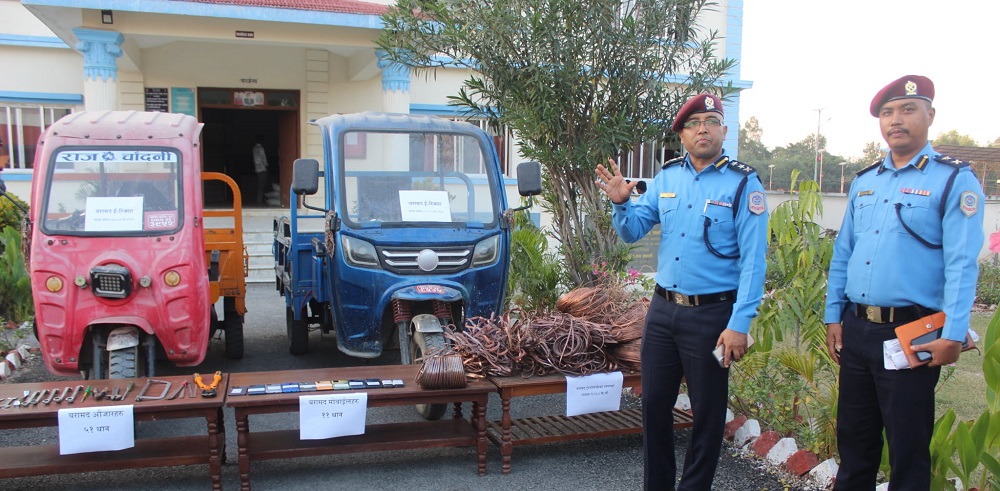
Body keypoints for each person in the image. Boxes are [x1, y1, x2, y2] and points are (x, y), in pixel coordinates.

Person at [595, 93, 769, 490]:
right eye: (693, 123)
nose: (702, 128)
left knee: (707, 415)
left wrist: (739, 323)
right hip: (662, 313)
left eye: (710, 121)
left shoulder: (744, 183)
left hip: (712, 317)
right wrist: (622, 203)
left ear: (723, 130)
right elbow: (631, 231)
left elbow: (754, 262)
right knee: (654, 406)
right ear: (682, 134)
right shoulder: (668, 177)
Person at [824, 75, 985, 490]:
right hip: (856, 330)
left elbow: (962, 264)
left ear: (930, 116)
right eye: (888, 112)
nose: (896, 120)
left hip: (911, 335)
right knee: (854, 445)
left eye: (908, 109)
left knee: (907, 451)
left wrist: (952, 334)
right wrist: (833, 316)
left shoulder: (953, 179)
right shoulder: (865, 181)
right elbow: (844, 253)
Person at [252, 135, 269, 206]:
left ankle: (259, 200)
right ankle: (260, 201)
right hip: (262, 168)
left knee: (260, 185)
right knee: (262, 185)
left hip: (257, 169)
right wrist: (266, 165)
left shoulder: (254, 148)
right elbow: (264, 158)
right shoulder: (261, 149)